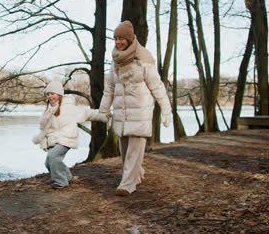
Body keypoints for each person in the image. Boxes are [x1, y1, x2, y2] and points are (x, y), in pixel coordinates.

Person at [99, 20, 171, 196]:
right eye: (116, 38)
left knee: (134, 150)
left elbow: (157, 85)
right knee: (125, 152)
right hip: (122, 112)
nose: (118, 42)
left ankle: (127, 184)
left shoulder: (144, 58)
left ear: (130, 39)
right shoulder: (116, 60)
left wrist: (166, 109)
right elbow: (109, 87)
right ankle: (136, 174)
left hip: (140, 110)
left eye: (122, 39)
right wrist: (103, 110)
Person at [32, 80, 109, 189]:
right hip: (53, 140)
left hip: (66, 139)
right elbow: (44, 129)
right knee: (48, 162)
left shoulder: (69, 108)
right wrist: (43, 142)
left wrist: (103, 115)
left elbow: (88, 113)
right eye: (48, 94)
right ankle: (67, 176)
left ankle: (61, 181)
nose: (50, 96)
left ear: (59, 94)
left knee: (53, 157)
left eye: (52, 93)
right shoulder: (48, 110)